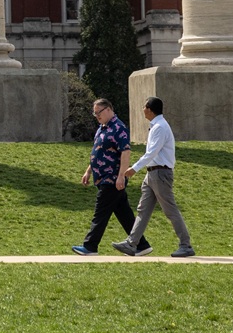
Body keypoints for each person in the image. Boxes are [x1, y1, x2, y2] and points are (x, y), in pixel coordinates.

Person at [116, 96, 195, 258]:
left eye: (144, 107)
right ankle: (132, 243)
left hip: (160, 173)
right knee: (143, 210)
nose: (142, 110)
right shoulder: (157, 126)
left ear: (150, 109)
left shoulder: (160, 127)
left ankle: (186, 245)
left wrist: (134, 168)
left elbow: (151, 152)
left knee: (170, 210)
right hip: (153, 173)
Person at [71, 97, 135, 255]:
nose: (97, 116)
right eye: (95, 114)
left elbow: (125, 152)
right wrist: (88, 171)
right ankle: (140, 244)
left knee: (101, 212)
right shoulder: (102, 128)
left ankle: (90, 246)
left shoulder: (119, 128)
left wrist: (121, 176)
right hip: (101, 177)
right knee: (124, 213)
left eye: (98, 112)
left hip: (111, 178)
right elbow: (97, 151)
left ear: (108, 109)